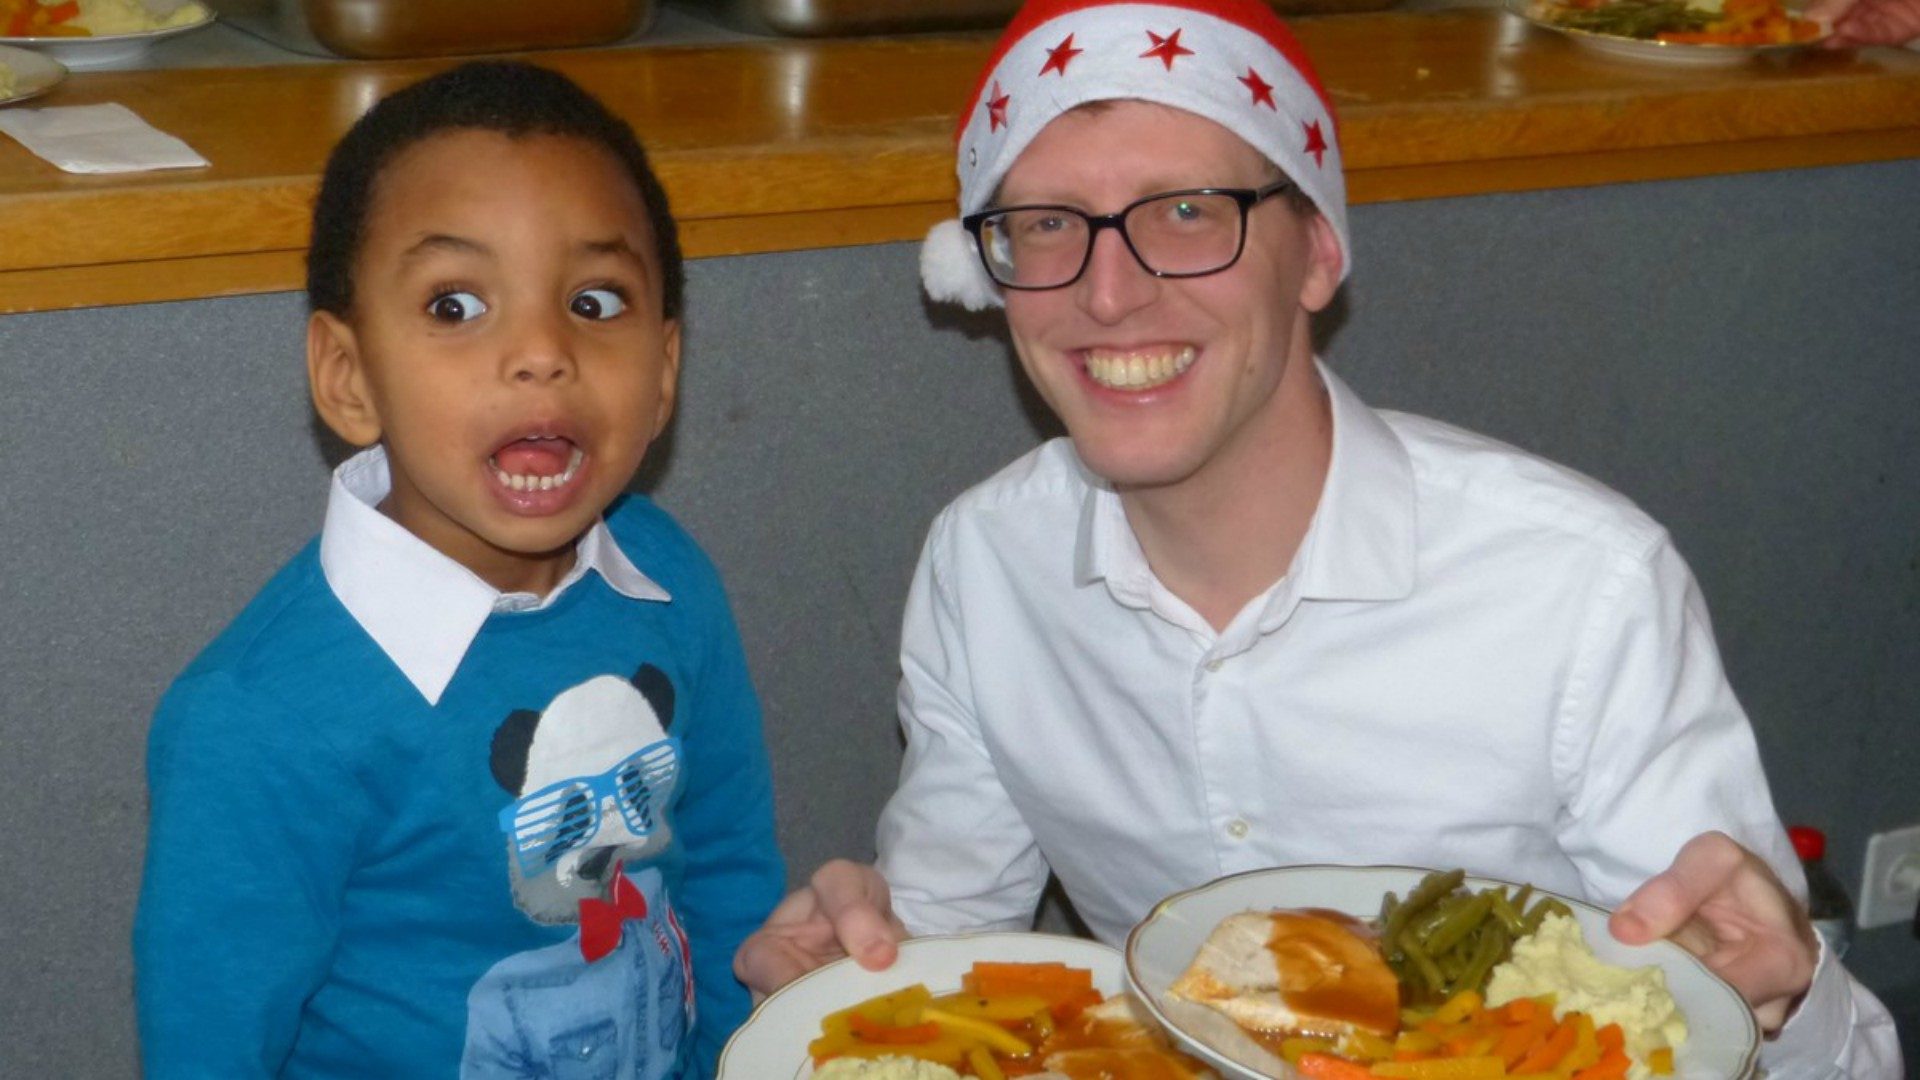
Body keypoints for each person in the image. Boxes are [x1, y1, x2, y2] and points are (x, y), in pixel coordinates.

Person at [733, 0, 1903, 1075]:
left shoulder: (1578, 586)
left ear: (1319, 251)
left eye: (1189, 213)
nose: (1108, 294)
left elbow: (1796, 1033)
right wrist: (853, 967)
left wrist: (1787, 1005)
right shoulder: (984, 566)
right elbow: (952, 944)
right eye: (1047, 226)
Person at [132, 61, 785, 1078]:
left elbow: (731, 872)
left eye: (595, 299)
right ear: (349, 379)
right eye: (454, 306)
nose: (539, 351)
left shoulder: (669, 581)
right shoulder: (258, 721)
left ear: (664, 375)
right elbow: (210, 1046)